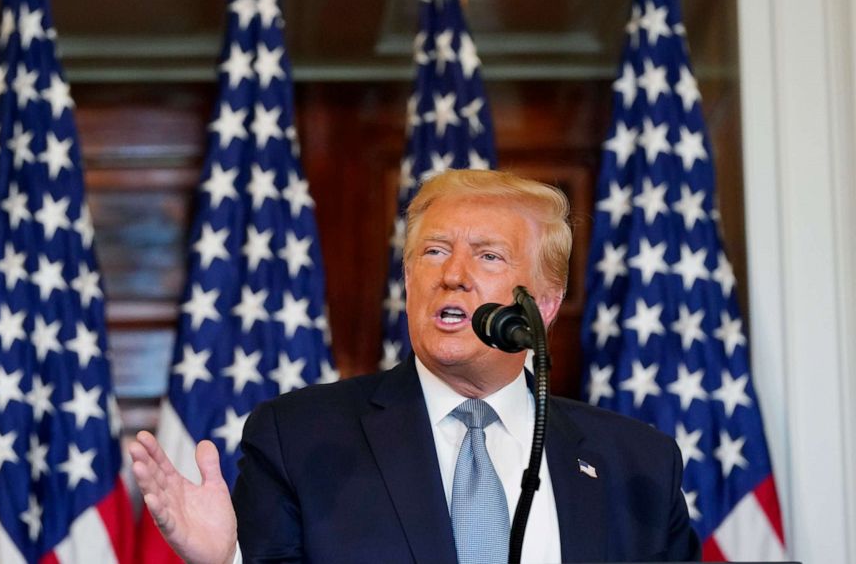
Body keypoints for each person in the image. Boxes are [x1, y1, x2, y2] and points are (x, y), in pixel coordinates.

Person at [130, 169, 701, 563]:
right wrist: (227, 559)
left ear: (544, 306)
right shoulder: (301, 438)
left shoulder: (638, 463)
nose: (452, 274)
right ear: (409, 280)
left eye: (488, 255)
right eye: (432, 251)